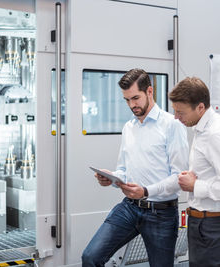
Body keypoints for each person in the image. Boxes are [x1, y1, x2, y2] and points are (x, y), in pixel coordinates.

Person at [81, 68, 189, 267]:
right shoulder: (129, 128)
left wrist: (146, 191)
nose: (132, 105)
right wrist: (112, 178)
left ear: (149, 91)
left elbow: (179, 178)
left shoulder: (171, 125)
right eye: (127, 100)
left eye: (135, 98)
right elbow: (124, 170)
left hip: (161, 214)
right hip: (129, 208)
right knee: (91, 257)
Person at [168, 77, 220, 267]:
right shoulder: (202, 129)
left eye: (181, 112)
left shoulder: (215, 134)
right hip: (201, 223)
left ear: (200, 107)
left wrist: (196, 186)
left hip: (214, 227)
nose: (176, 117)